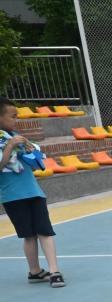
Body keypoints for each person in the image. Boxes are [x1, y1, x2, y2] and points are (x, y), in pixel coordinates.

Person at [0, 97, 63, 287]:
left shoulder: (15, 136)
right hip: (12, 196)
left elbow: (33, 164)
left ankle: (54, 270)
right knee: (28, 235)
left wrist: (29, 149)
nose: (16, 120)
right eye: (12, 116)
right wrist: (10, 146)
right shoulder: (7, 141)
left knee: (45, 230)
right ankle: (34, 271)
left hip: (33, 191)